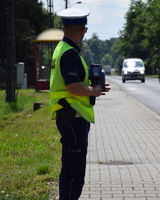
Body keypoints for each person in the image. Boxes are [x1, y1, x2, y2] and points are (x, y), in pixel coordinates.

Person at [49, 7, 110, 200]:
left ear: (63, 27)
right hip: (73, 117)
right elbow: (73, 86)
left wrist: (94, 88)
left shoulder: (62, 49)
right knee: (74, 171)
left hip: (69, 116)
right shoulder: (70, 55)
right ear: (83, 30)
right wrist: (93, 91)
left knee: (71, 166)